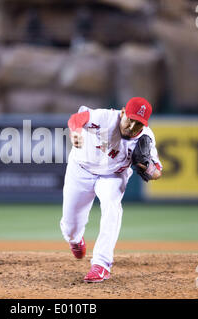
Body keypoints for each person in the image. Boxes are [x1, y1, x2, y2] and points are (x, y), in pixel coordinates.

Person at [60, 97, 163, 283]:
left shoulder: (146, 138)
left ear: (144, 124)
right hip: (81, 169)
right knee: (70, 226)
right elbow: (77, 118)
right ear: (122, 112)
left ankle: (101, 264)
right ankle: (75, 238)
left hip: (113, 176)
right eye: (130, 119)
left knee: (112, 207)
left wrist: (148, 168)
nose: (132, 127)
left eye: (138, 124)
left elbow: (157, 171)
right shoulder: (106, 118)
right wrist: (75, 132)